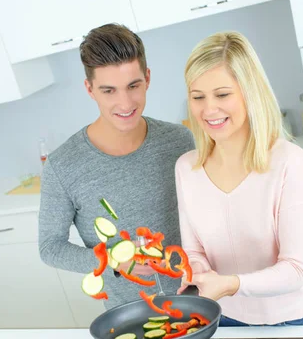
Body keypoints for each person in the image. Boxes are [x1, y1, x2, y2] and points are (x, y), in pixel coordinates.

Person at [175, 31, 303, 326]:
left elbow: (295, 270)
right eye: (197, 97)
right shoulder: (186, 168)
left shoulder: (288, 161)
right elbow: (194, 251)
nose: (209, 109)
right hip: (225, 318)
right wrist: (197, 272)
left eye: (222, 94)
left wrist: (230, 284)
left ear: (250, 92)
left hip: (292, 317)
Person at [39, 23, 194, 308]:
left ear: (147, 79)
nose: (125, 103)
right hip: (129, 315)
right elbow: (50, 248)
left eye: (133, 86)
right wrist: (113, 260)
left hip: (198, 300)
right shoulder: (62, 166)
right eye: (109, 90)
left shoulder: (180, 141)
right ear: (90, 89)